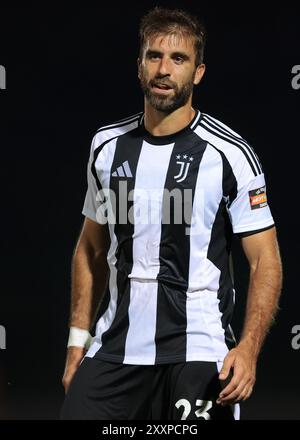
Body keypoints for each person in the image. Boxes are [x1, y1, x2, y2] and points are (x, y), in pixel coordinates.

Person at [60, 7, 282, 420]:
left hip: (198, 349)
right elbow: (90, 250)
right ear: (139, 66)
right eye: (154, 56)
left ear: (198, 72)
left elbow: (264, 259)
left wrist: (248, 349)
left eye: (178, 59)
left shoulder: (230, 155)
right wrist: (77, 345)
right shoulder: (106, 148)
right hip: (116, 346)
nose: (164, 69)